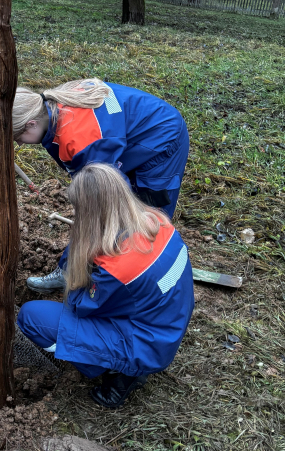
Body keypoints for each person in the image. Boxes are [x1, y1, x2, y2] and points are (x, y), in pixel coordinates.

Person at [17, 163, 194, 409]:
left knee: (31, 317)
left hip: (147, 345)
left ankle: (114, 371)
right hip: (169, 324)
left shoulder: (119, 269)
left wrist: (82, 274)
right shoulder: (158, 222)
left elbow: (82, 307)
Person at [13, 79, 189, 292]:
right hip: (127, 137)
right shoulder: (52, 107)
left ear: (31, 123)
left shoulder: (84, 141)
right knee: (106, 211)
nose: (19, 143)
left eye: (17, 136)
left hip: (160, 141)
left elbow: (104, 204)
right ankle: (82, 268)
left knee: (145, 213)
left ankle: (142, 276)